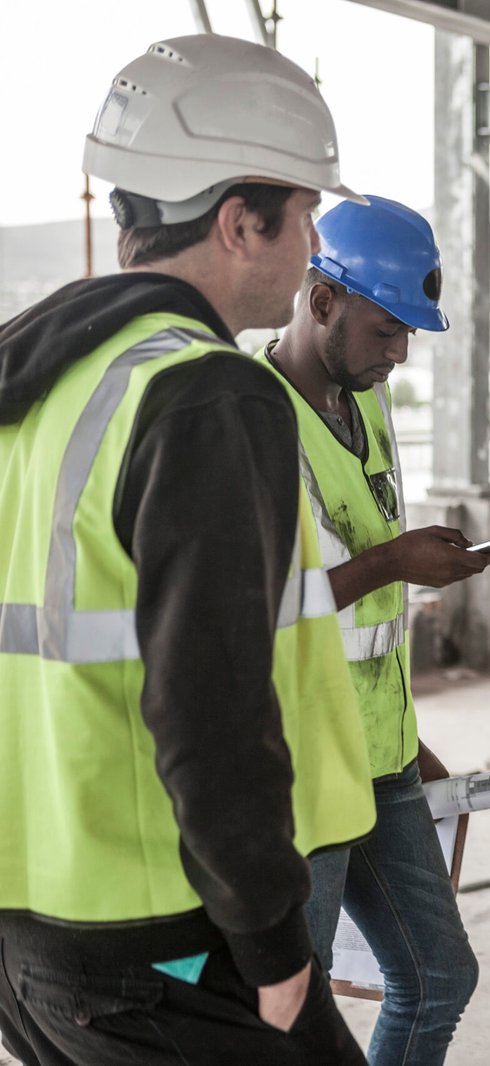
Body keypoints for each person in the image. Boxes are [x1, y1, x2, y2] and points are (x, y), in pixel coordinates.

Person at [0, 34, 377, 1065]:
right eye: (302, 214)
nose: (310, 246)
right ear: (235, 222)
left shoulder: (36, 386)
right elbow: (210, 696)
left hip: (37, 934)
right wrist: (271, 939)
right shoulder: (205, 392)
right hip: (165, 938)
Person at [261, 194, 490, 1064]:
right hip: (299, 771)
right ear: (322, 302)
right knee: (291, 1009)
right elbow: (249, 613)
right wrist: (392, 563)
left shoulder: (365, 400)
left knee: (439, 978)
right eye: (385, 331)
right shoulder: (248, 416)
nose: (398, 356)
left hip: (383, 760)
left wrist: (411, 737)